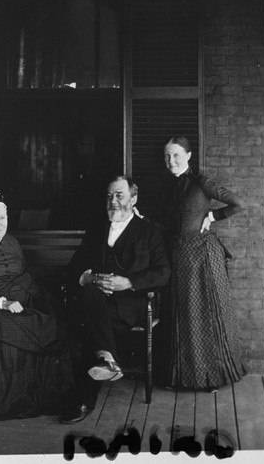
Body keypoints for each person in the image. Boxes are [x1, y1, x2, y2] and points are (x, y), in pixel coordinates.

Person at [60, 176, 171, 424]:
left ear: (133, 199)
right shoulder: (97, 228)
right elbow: (75, 265)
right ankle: (107, 359)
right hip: (96, 302)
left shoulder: (149, 232)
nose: (113, 201)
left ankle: (85, 398)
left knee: (90, 327)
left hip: (130, 304)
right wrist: (88, 278)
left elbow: (163, 272)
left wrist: (129, 282)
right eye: (110, 196)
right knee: (90, 298)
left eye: (119, 195)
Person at [0, 191, 74, 420]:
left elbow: (23, 274)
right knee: (10, 327)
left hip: (26, 296)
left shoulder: (12, 241)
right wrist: (2, 302)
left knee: (55, 315)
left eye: (3, 218)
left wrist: (36, 297)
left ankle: (48, 397)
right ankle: (6, 401)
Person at [159, 136, 246, 391]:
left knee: (205, 314)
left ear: (188, 156)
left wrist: (214, 215)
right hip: (178, 256)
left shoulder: (201, 182)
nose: (171, 160)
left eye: (175, 155)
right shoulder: (166, 187)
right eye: (167, 156)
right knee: (184, 315)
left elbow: (238, 203)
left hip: (204, 257)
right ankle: (184, 377)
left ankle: (213, 378)